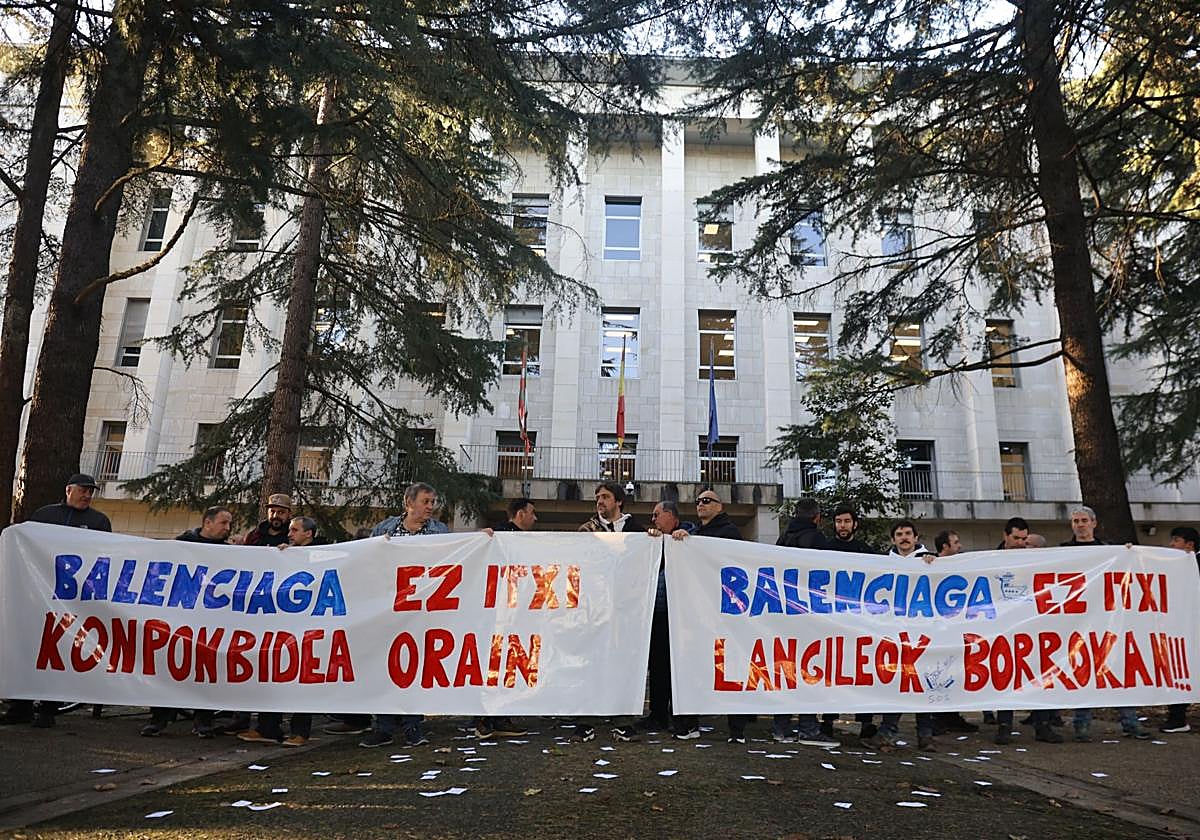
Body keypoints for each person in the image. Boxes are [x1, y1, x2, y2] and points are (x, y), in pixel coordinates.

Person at [2, 474, 113, 727]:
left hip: (73, 602)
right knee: (31, 650)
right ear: (68, 490)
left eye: (91, 491)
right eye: (83, 490)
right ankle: (21, 707)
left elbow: (105, 557)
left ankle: (49, 710)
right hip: (39, 596)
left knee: (59, 654)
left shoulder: (99, 521)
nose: (87, 495)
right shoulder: (44, 515)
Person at [360, 483, 445, 748]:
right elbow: (365, 560)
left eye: (433, 502)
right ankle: (383, 727)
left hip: (421, 611)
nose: (431, 507)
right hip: (387, 611)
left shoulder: (439, 532)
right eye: (426, 501)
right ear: (409, 502)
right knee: (385, 667)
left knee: (415, 667)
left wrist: (482, 540)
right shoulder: (384, 529)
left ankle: (413, 726)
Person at [141, 506, 233, 738]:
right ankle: (159, 719)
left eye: (229, 524)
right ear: (208, 522)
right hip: (180, 620)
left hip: (209, 622)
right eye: (223, 523)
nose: (228, 528)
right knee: (171, 670)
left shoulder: (230, 552)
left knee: (205, 672)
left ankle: (203, 721)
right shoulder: (182, 544)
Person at [670, 490, 753, 744]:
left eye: (707, 501)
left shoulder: (729, 533)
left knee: (730, 667)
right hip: (699, 613)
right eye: (697, 501)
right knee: (693, 667)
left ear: (720, 505)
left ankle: (736, 729)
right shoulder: (696, 535)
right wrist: (685, 540)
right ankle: (689, 723)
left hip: (725, 613)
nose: (701, 505)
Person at [1063, 506, 1149, 741]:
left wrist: (1129, 553)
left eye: (1083, 520)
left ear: (1093, 523)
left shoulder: (1108, 550)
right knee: (1085, 672)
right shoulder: (1063, 552)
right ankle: (1082, 726)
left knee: (1117, 670)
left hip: (1108, 622)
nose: (1079, 525)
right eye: (1075, 521)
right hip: (1078, 624)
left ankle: (1130, 723)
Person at [241, 516, 328, 747]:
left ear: (309, 534)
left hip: (306, 630)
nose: (289, 534)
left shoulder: (323, 553)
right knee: (274, 677)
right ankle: (267, 727)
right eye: (290, 530)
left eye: (295, 530)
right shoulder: (287, 552)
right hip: (283, 628)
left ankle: (300, 732)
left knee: (301, 681)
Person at [613, 501, 696, 742]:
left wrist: (685, 537)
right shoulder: (653, 541)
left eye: (657, 515)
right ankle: (657, 714)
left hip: (681, 616)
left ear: (671, 516)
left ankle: (678, 716)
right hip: (656, 614)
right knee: (657, 667)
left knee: (677, 668)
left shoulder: (690, 537)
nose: (653, 520)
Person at [770, 497, 839, 748]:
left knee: (788, 672)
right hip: (810, 617)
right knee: (810, 672)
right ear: (817, 517)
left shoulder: (782, 540)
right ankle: (809, 728)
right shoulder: (816, 539)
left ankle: (781, 727)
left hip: (785, 615)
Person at [868, 519, 936, 750]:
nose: (904, 537)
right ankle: (888, 732)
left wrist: (935, 563)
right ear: (893, 539)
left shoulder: (931, 561)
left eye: (908, 533)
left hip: (924, 634)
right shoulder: (884, 563)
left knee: (923, 684)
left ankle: (925, 735)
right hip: (896, 634)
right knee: (898, 683)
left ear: (916, 538)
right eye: (899, 534)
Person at [475, 498, 535, 739]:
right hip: (498, 612)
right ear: (520, 514)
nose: (535, 518)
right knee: (494, 663)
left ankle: (499, 717)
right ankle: (486, 718)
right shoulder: (496, 535)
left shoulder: (519, 538)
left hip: (512, 611)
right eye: (532, 513)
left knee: (505, 664)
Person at [1160, 526, 1198, 733]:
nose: (1171, 545)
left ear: (1189, 545)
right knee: (1180, 670)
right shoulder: (1175, 565)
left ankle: (1178, 717)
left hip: (1191, 627)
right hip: (1183, 627)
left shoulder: (1191, 565)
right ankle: (1177, 717)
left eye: (1176, 540)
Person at [579, 481, 645, 533]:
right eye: (598, 498)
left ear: (619, 501)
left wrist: (654, 536)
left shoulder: (637, 530)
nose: (599, 501)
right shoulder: (587, 530)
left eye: (605, 497)